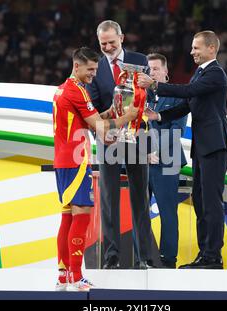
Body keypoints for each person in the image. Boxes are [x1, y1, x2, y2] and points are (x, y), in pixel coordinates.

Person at [139, 31, 227, 269]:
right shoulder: (200, 74)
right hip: (204, 146)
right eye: (192, 48)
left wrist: (156, 85)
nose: (192, 52)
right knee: (201, 201)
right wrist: (158, 114)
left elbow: (188, 93)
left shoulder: (216, 74)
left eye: (196, 48)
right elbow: (186, 106)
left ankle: (213, 257)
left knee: (211, 202)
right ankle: (205, 255)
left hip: (215, 145)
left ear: (211, 48)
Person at [53, 47, 138, 291]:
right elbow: (100, 128)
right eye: (90, 69)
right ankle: (77, 276)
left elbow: (87, 120)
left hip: (65, 159)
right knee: (82, 214)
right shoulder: (76, 91)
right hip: (75, 161)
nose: (93, 74)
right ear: (76, 66)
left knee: (68, 216)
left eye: (96, 69)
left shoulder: (65, 89)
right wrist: (128, 116)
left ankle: (64, 276)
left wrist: (110, 112)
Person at [87, 20, 155, 269]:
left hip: (136, 138)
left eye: (111, 43)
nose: (107, 47)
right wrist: (105, 129)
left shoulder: (140, 61)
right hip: (109, 140)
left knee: (140, 198)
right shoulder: (96, 67)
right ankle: (112, 257)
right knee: (109, 200)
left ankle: (145, 257)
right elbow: (92, 107)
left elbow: (150, 97)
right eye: (103, 43)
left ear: (122, 38)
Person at [146, 53, 187, 269]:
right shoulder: (138, 96)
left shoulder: (177, 96)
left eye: (154, 69)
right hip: (141, 162)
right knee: (138, 212)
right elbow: (131, 128)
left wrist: (156, 151)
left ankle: (168, 260)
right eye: (148, 69)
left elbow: (177, 129)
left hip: (167, 161)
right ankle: (143, 257)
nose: (150, 72)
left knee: (168, 212)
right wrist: (143, 153)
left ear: (165, 73)